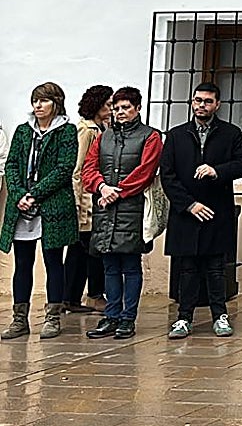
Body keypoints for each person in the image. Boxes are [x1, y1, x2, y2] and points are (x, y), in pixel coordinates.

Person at [161, 82, 242, 339]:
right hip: (186, 212)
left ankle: (220, 315)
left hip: (216, 210)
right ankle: (184, 317)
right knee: (186, 268)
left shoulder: (230, 133)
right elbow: (167, 176)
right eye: (198, 100)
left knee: (216, 268)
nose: (202, 105)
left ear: (217, 104)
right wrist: (189, 204)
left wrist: (217, 171)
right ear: (192, 102)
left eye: (208, 101)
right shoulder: (177, 135)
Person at [81, 86, 163, 340]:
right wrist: (102, 187)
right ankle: (111, 316)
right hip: (106, 208)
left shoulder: (150, 136)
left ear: (137, 108)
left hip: (132, 208)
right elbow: (89, 168)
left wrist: (119, 191)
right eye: (116, 108)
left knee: (130, 265)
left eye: (125, 107)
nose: (120, 112)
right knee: (109, 266)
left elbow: (145, 172)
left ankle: (128, 318)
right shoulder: (103, 136)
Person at [0, 83, 79, 340]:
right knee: (22, 263)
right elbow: (11, 164)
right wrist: (19, 194)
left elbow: (64, 168)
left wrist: (34, 194)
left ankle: (53, 317)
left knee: (53, 262)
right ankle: (19, 319)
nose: (38, 105)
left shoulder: (66, 131)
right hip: (22, 206)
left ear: (56, 103)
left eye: (43, 101)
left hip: (51, 206)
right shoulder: (24, 131)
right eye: (35, 100)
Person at [65, 84, 112, 314]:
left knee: (86, 250)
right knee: (84, 250)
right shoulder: (87, 130)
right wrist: (78, 202)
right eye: (108, 104)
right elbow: (78, 168)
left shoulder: (100, 128)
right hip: (86, 200)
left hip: (93, 199)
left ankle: (73, 297)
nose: (111, 108)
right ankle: (79, 296)